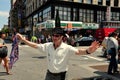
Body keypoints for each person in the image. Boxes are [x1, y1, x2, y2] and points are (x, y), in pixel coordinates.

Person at [16, 28, 100, 80]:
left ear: (62, 37)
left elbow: (78, 51)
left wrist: (89, 50)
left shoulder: (67, 47)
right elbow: (35, 45)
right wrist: (23, 40)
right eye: (53, 35)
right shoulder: (48, 46)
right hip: (49, 74)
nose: (54, 37)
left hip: (61, 76)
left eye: (57, 36)